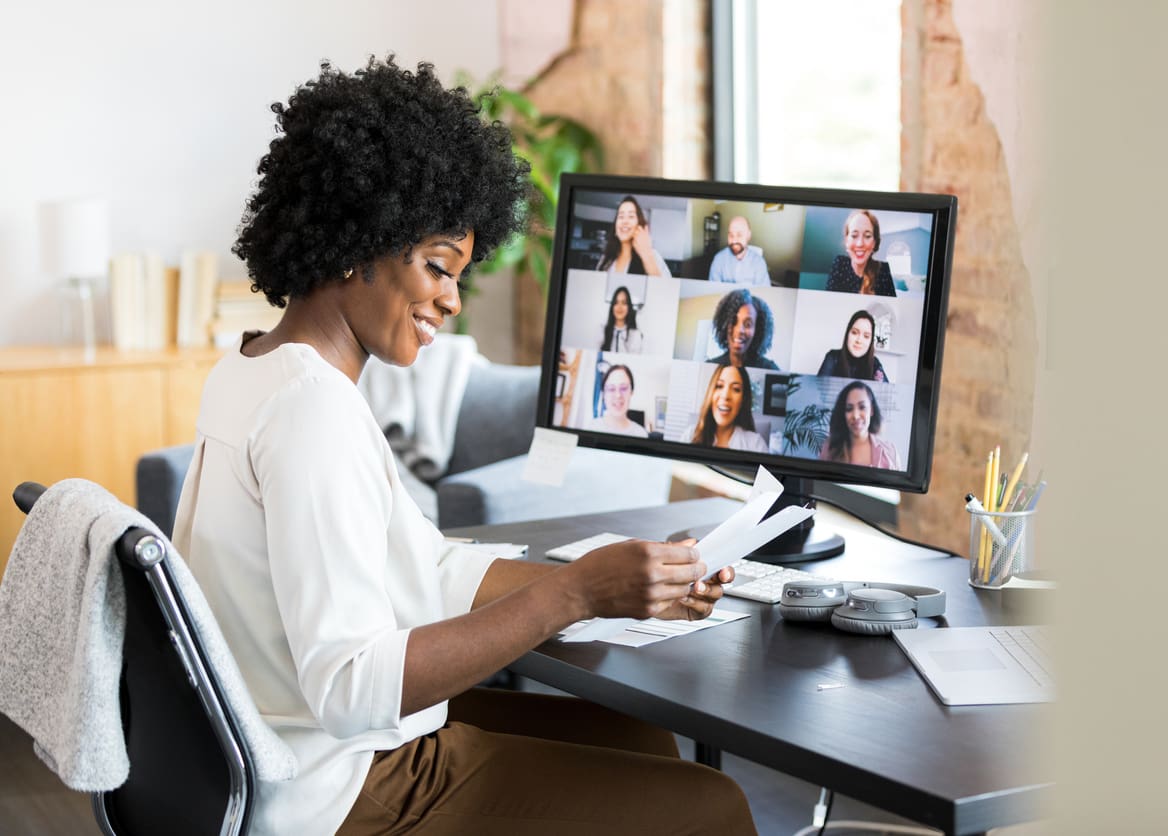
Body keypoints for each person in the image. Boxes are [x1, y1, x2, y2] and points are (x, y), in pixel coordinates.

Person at [176, 57, 755, 836]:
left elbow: (429, 565)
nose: (453, 299)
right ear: (359, 245)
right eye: (438, 268)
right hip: (331, 787)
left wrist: (603, 583)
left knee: (643, 744)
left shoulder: (255, 368)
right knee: (712, 805)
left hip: (276, 752)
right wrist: (571, 596)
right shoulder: (312, 412)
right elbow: (350, 685)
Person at [819, 381, 901, 469]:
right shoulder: (829, 448)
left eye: (862, 407)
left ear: (872, 410)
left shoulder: (890, 452)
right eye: (849, 409)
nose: (855, 415)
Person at [687, 364, 769, 453]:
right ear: (711, 393)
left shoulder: (756, 445)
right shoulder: (690, 436)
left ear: (743, 400)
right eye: (719, 386)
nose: (725, 396)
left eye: (736, 389)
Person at [594, 195, 673, 277]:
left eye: (631, 216)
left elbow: (666, 288)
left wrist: (647, 256)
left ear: (639, 225)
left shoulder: (652, 255)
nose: (625, 221)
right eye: (621, 216)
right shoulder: (606, 258)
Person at [825, 209, 896, 297]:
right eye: (854, 236)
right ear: (847, 240)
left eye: (867, 236)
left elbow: (890, 307)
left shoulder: (883, 270)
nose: (860, 244)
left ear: (874, 242)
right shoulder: (840, 263)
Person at [705, 287, 779, 370]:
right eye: (733, 321)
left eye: (748, 324)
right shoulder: (710, 366)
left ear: (757, 330)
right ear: (724, 325)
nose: (740, 330)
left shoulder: (770, 369)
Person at [817, 310, 888, 382]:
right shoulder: (833, 357)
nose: (859, 340)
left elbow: (885, 390)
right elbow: (818, 389)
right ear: (847, 334)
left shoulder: (875, 363)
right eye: (854, 333)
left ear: (871, 341)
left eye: (866, 336)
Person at [587, 364, 648, 437]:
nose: (618, 395)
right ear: (604, 394)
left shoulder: (641, 434)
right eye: (611, 389)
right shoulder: (592, 428)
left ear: (631, 392)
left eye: (624, 388)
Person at [707, 215, 770, 285]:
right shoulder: (718, 259)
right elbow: (713, 290)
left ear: (748, 235)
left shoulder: (759, 262)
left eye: (739, 235)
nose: (734, 241)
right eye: (731, 235)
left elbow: (764, 291)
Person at [600, 286, 644, 353]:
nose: (619, 307)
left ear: (629, 307)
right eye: (616, 302)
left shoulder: (635, 334)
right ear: (612, 306)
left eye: (623, 303)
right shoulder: (602, 330)